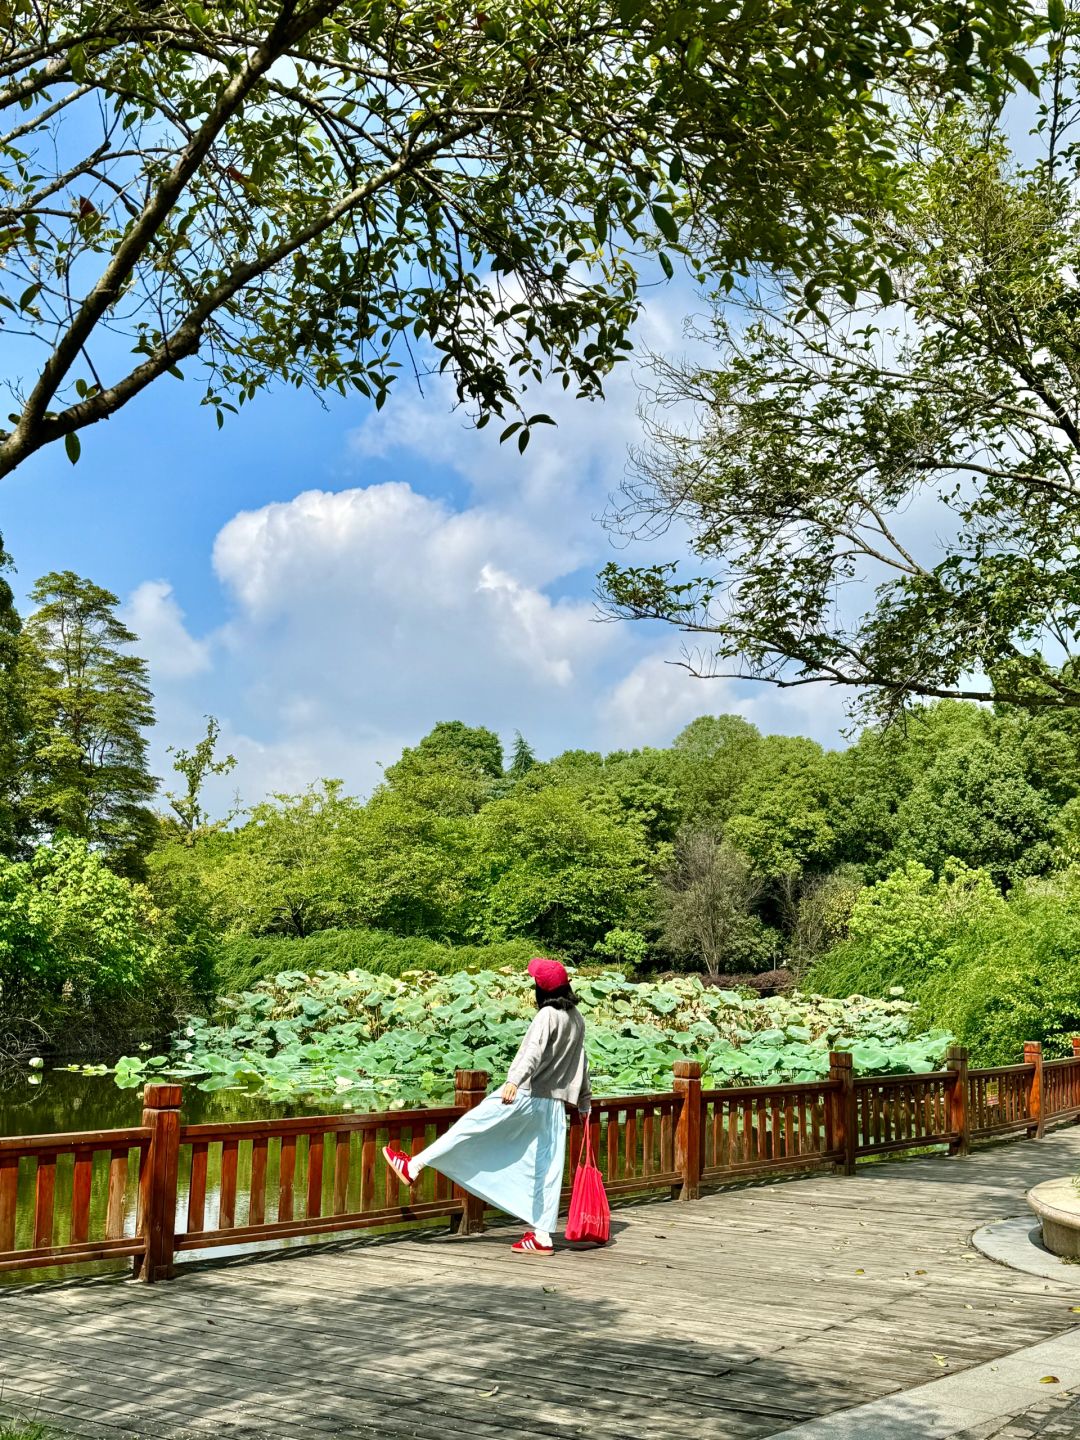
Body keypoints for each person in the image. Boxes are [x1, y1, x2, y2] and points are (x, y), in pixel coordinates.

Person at [383, 956, 592, 1256]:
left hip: (526, 1095)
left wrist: (513, 1080)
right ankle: (543, 1236)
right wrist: (584, 1102)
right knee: (547, 1168)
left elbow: (532, 1052)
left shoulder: (547, 1015)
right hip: (555, 1106)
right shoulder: (577, 1019)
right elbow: (582, 1064)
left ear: (541, 989)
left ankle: (413, 1166)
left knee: (472, 1125)